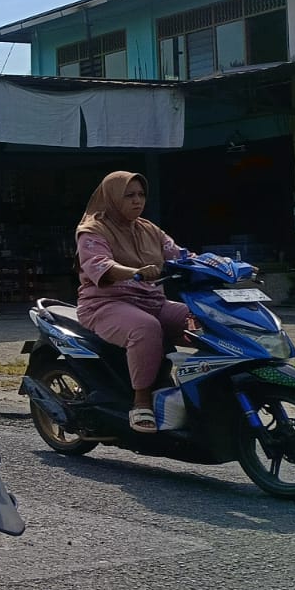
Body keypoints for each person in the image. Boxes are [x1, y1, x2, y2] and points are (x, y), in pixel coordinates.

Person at [74, 171, 193, 433]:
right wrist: (133, 272)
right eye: (129, 195)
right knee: (145, 328)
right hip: (105, 304)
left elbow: (181, 256)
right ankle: (141, 402)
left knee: (201, 319)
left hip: (153, 300)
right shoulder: (92, 230)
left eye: (141, 194)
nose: (137, 201)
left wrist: (223, 265)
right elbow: (99, 264)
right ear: (112, 197)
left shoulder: (150, 229)